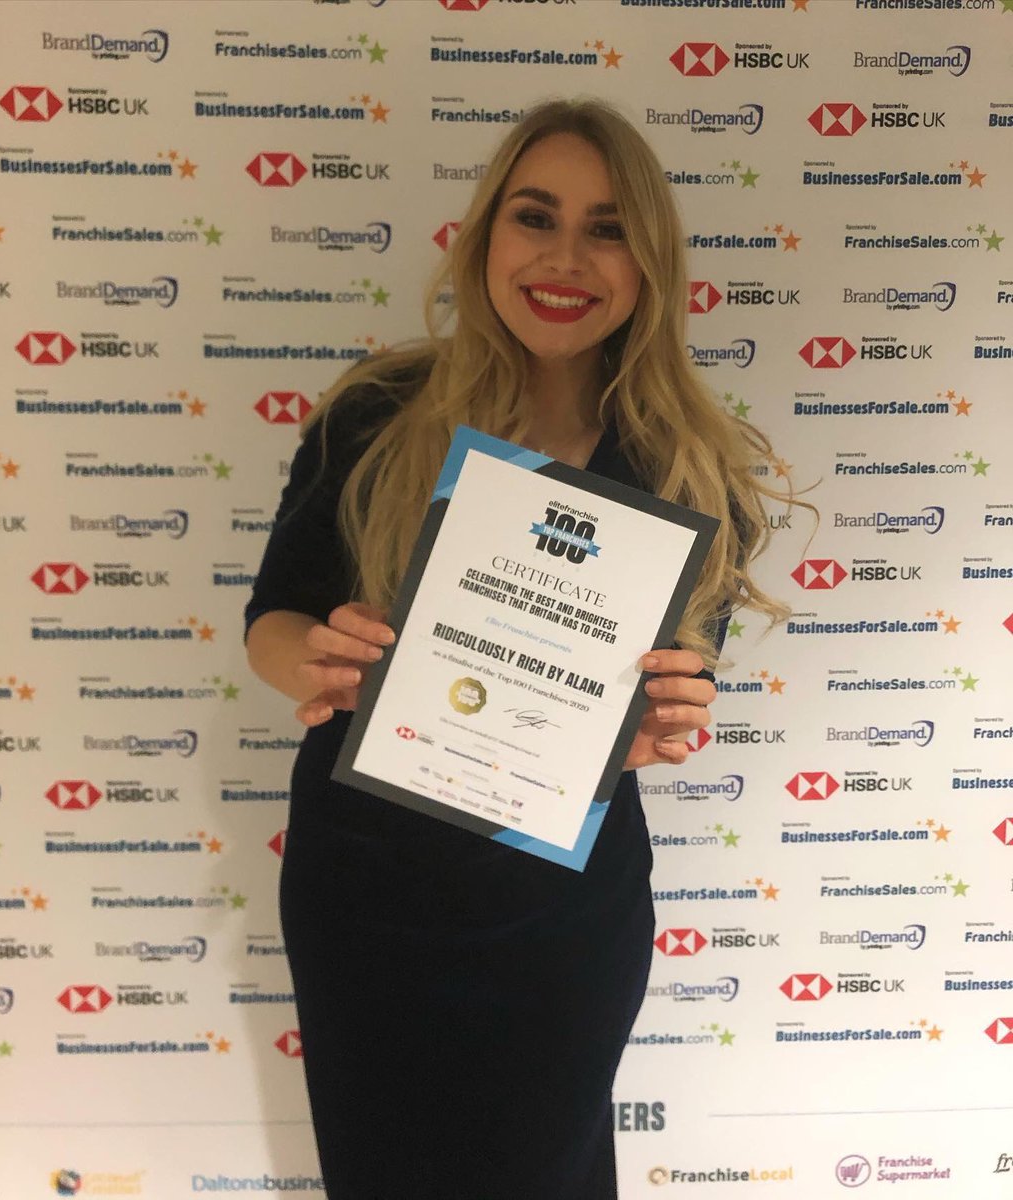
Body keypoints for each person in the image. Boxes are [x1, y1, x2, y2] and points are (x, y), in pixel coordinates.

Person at [245, 98, 789, 1200]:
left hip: (558, 909)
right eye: (535, 217)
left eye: (607, 229)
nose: (564, 259)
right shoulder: (377, 413)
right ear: (486, 232)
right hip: (366, 891)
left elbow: (670, 692)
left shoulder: (689, 465)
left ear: (649, 262)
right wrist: (312, 659)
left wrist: (660, 726)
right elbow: (274, 619)